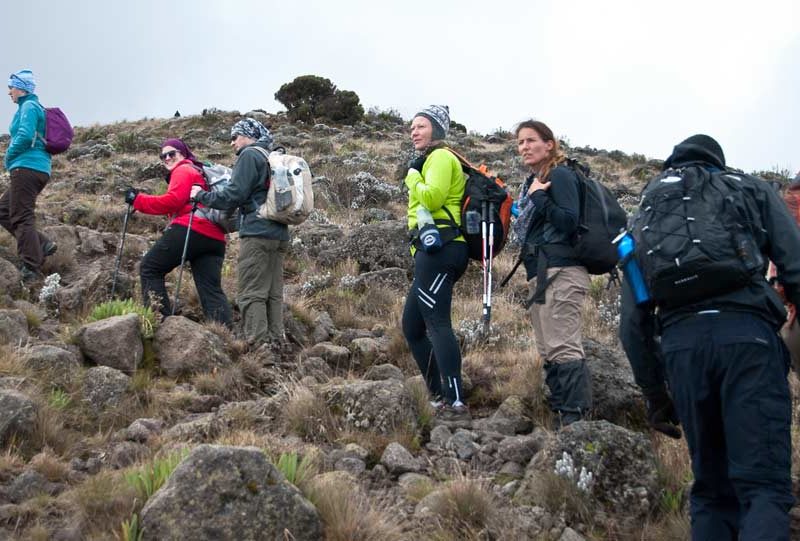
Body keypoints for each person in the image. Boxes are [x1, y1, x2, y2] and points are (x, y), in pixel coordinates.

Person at [620, 135, 800, 541]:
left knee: (712, 492)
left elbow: (632, 322)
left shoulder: (645, 211)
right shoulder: (748, 188)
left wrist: (656, 396)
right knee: (763, 488)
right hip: (748, 341)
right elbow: (796, 265)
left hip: (682, 349)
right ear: (719, 161)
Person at [514, 120, 591, 427]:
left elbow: (569, 220)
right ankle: (561, 416)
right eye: (520, 142)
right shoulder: (536, 181)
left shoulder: (560, 175)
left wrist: (539, 197)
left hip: (562, 270)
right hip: (543, 272)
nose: (524, 147)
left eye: (531, 140)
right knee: (548, 348)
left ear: (549, 144)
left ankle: (575, 423)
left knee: (562, 345)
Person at [190, 118, 288, 346]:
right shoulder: (270, 156)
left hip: (257, 233)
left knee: (250, 292)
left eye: (235, 137)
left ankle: (259, 349)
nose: (232, 142)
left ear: (249, 136)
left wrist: (201, 196)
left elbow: (233, 195)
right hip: (279, 233)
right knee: (272, 294)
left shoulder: (249, 155)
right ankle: (277, 343)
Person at [401, 105, 470, 417]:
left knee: (437, 322)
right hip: (430, 250)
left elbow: (432, 198)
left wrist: (412, 177)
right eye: (412, 127)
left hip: (441, 248)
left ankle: (455, 400)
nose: (414, 132)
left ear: (437, 131)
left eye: (421, 126)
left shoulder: (441, 157)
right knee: (412, 326)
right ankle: (438, 393)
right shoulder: (430, 159)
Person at [125, 138, 232, 326]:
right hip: (215, 238)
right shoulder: (198, 172)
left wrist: (138, 200)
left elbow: (173, 200)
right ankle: (224, 333)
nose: (167, 158)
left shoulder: (183, 170)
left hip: (192, 228)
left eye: (171, 153)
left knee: (150, 268)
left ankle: (159, 323)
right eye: (163, 156)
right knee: (211, 289)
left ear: (183, 154)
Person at [1, 69, 57, 282]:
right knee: (3, 210)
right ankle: (42, 243)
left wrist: (9, 156)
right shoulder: (32, 106)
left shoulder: (29, 106)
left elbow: (25, 135)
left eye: (11, 87)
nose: (9, 92)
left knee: (21, 215)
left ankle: (31, 266)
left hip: (26, 168)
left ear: (21, 88)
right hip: (35, 169)